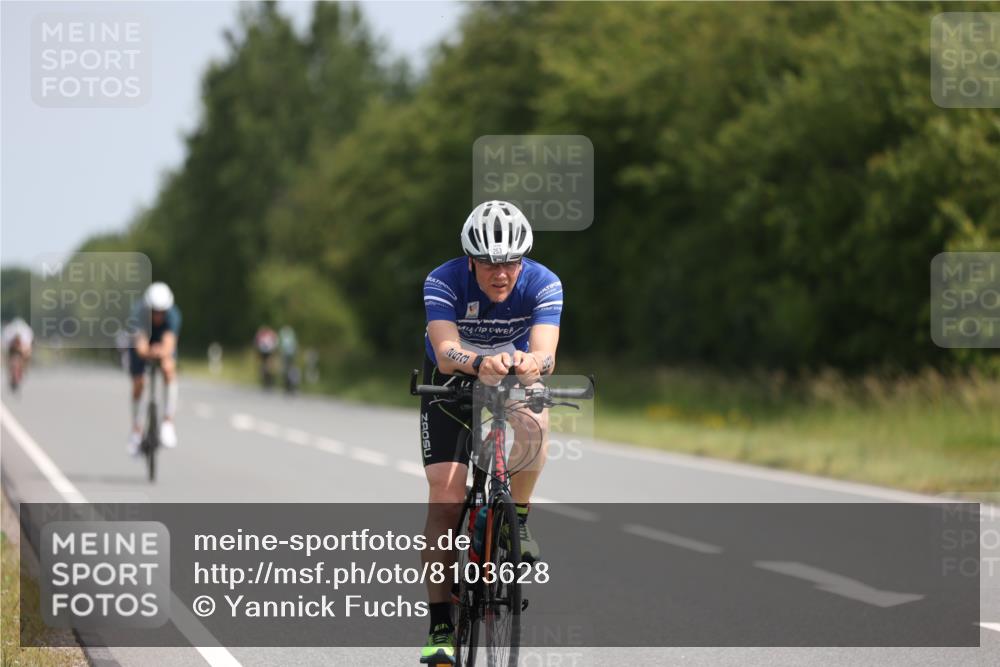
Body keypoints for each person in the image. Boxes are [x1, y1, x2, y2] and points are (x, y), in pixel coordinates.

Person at [418, 200, 562, 664]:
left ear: (524, 259)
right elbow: (444, 350)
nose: (501, 274)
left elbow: (546, 356)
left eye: (510, 262)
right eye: (488, 263)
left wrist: (529, 363)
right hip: (453, 376)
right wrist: (479, 364)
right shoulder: (443, 280)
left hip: (513, 374)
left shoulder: (545, 282)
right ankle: (440, 625)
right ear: (470, 260)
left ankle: (515, 518)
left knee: (538, 420)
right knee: (446, 496)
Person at [127, 282, 182, 455]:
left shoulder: (173, 315)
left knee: (168, 368)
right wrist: (148, 352)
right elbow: (140, 346)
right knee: (139, 382)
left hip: (161, 342)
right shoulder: (138, 313)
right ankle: (136, 431)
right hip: (142, 342)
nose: (158, 315)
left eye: (162, 312)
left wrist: (162, 352)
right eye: (154, 311)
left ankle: (168, 422)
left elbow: (169, 342)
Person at [3, 317, 34, 391]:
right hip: (11, 348)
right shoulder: (8, 333)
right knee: (9, 359)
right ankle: (12, 372)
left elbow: (28, 350)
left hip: (23, 348)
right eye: (15, 341)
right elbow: (4, 349)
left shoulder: (26, 334)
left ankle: (24, 369)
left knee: (27, 356)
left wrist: (25, 356)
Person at [254, 325, 278, 389]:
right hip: (268, 351)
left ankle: (265, 377)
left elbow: (256, 343)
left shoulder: (261, 334)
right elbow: (275, 342)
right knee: (268, 365)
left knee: (264, 365)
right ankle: (268, 377)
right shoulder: (270, 334)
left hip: (264, 351)